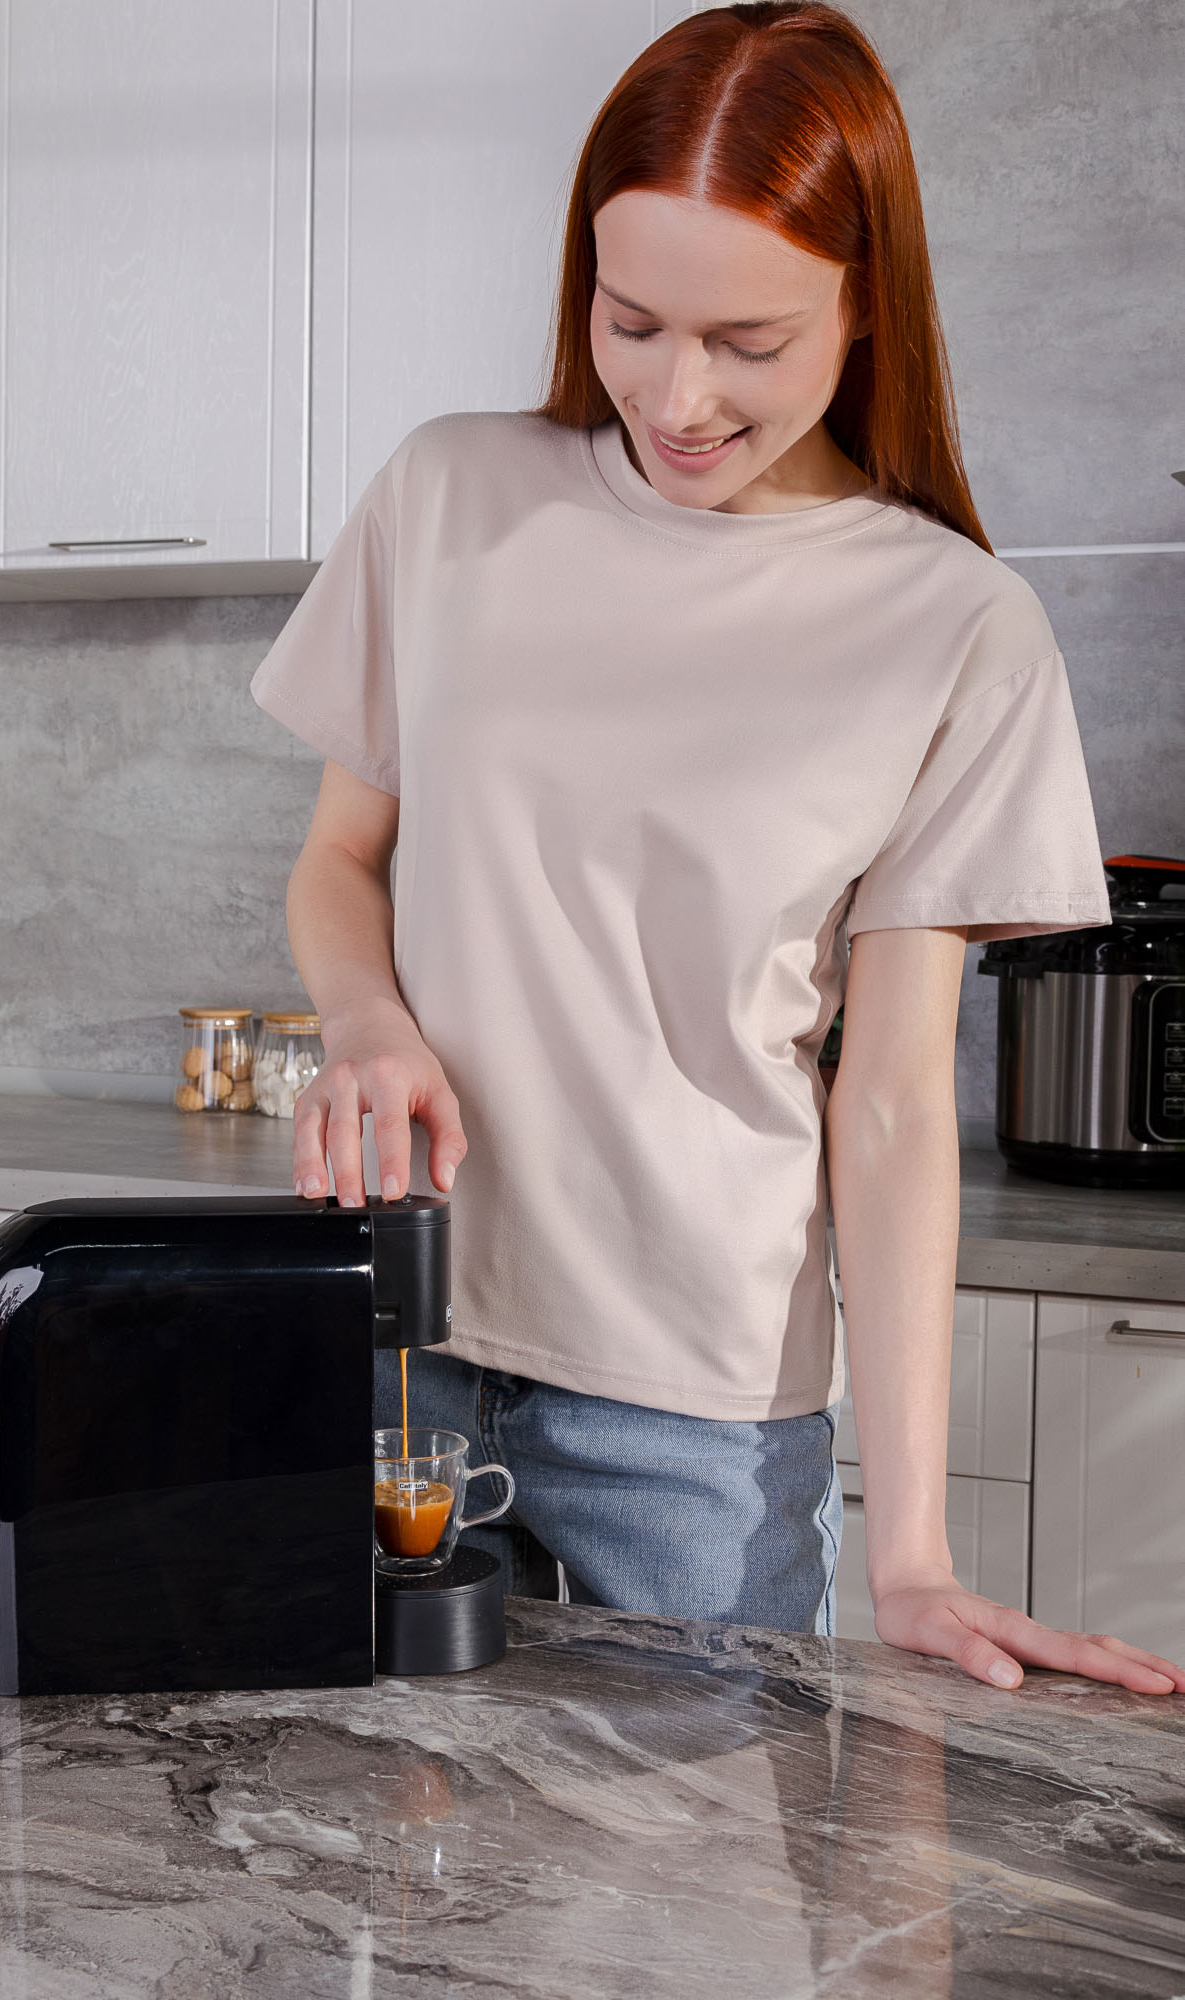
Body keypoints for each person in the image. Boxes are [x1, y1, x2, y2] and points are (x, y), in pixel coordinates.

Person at [249, 1, 1184, 1696]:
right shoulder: (450, 497)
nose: (677, 397)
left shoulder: (956, 628)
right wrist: (369, 1022)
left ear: (866, 302)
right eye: (632, 323)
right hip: (396, 1342)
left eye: (748, 340)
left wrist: (910, 1551)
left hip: (696, 1418)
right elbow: (338, 865)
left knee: (705, 1861)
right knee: (346, 1841)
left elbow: (890, 1106)